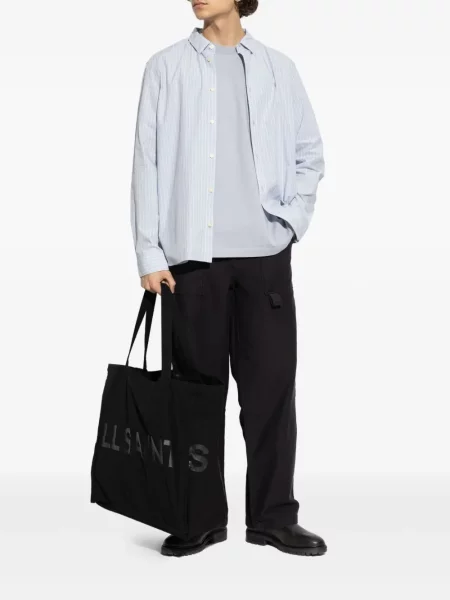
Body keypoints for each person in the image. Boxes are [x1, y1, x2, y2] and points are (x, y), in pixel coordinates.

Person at [130, 0, 326, 557]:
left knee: (271, 393)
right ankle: (198, 519)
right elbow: (146, 161)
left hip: (265, 258)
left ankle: (273, 518)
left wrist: (290, 222)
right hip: (192, 262)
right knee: (195, 398)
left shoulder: (278, 68)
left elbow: (310, 152)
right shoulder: (165, 67)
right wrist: (149, 252)